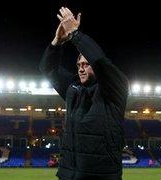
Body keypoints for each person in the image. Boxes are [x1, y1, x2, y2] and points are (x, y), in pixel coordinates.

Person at [39, 7, 129, 180]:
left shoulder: (115, 88)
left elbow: (100, 61)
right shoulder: (73, 89)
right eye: (79, 65)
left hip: (101, 175)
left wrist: (75, 34)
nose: (81, 68)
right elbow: (47, 68)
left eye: (86, 64)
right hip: (69, 174)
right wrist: (57, 42)